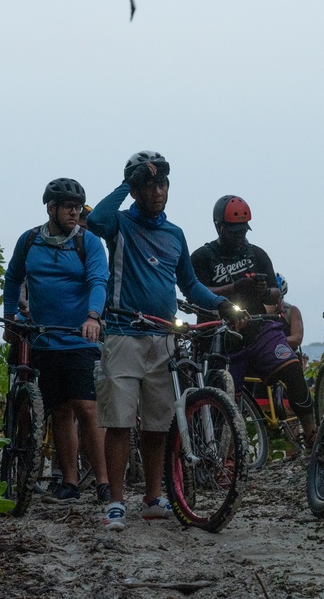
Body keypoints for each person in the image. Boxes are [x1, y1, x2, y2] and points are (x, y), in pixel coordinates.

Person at [86, 151, 236, 532]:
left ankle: (153, 498)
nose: (157, 191)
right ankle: (116, 503)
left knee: (157, 426)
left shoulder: (174, 234)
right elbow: (96, 219)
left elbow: (190, 284)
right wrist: (127, 181)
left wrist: (221, 304)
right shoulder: (119, 225)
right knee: (119, 423)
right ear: (136, 190)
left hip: (163, 339)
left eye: (162, 183)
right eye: (149, 184)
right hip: (122, 335)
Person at [2, 177, 110, 504]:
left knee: (88, 409)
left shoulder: (88, 243)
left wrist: (93, 316)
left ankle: (104, 482)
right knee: (61, 411)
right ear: (51, 208)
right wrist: (9, 318)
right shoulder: (30, 241)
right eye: (68, 207)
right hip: (43, 340)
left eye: (77, 207)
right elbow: (12, 278)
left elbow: (98, 280)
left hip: (79, 339)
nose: (75, 213)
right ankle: (71, 483)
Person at [191, 196, 317, 445]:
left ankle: (312, 433)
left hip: (258, 329)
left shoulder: (257, 254)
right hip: (222, 339)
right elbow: (196, 292)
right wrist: (234, 287)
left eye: (243, 231)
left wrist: (263, 291)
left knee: (292, 368)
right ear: (220, 227)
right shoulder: (202, 257)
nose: (240, 237)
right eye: (234, 231)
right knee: (224, 397)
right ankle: (224, 454)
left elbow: (275, 291)